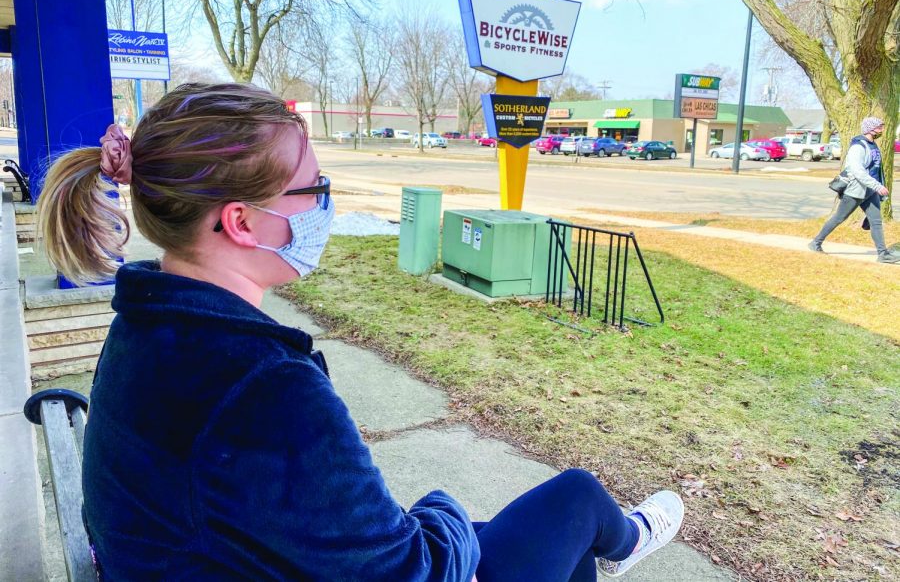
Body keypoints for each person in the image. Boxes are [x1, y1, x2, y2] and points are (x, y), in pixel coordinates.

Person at [37, 83, 684, 581]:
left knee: (550, 526)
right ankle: (622, 537)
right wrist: (443, 510)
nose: (324, 201)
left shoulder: (149, 329)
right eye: (312, 186)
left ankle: (619, 535)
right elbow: (410, 571)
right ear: (240, 221)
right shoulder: (263, 388)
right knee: (571, 501)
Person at [809, 116, 899, 264]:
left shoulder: (872, 145)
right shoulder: (858, 147)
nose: (882, 130)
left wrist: (876, 187)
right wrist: (877, 186)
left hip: (869, 191)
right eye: (880, 127)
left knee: (876, 221)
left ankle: (883, 254)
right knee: (839, 218)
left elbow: (875, 169)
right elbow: (858, 171)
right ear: (871, 129)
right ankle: (816, 242)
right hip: (855, 191)